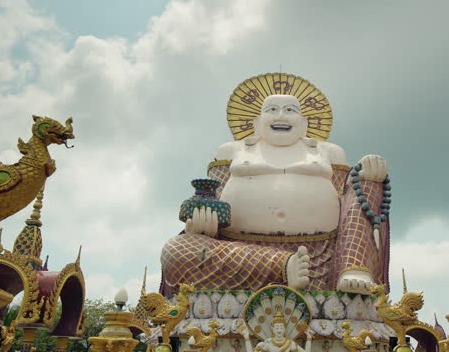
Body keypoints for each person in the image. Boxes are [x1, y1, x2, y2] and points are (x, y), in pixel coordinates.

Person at [160, 87, 389, 295]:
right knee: (175, 251)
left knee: (365, 184)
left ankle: (353, 267)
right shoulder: (232, 151)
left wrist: (370, 172)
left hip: (319, 258)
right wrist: (203, 224)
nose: (281, 116)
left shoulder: (329, 152)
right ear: (257, 123)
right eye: (272, 109)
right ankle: (282, 265)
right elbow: (214, 199)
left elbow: (345, 202)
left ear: (304, 123)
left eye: (290, 110)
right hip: (240, 256)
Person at [242, 309, 312, 352]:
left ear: (285, 328)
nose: (279, 330)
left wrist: (309, 337)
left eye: (281, 327)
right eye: (277, 327)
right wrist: (247, 338)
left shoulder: (290, 343)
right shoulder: (268, 342)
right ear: (273, 329)